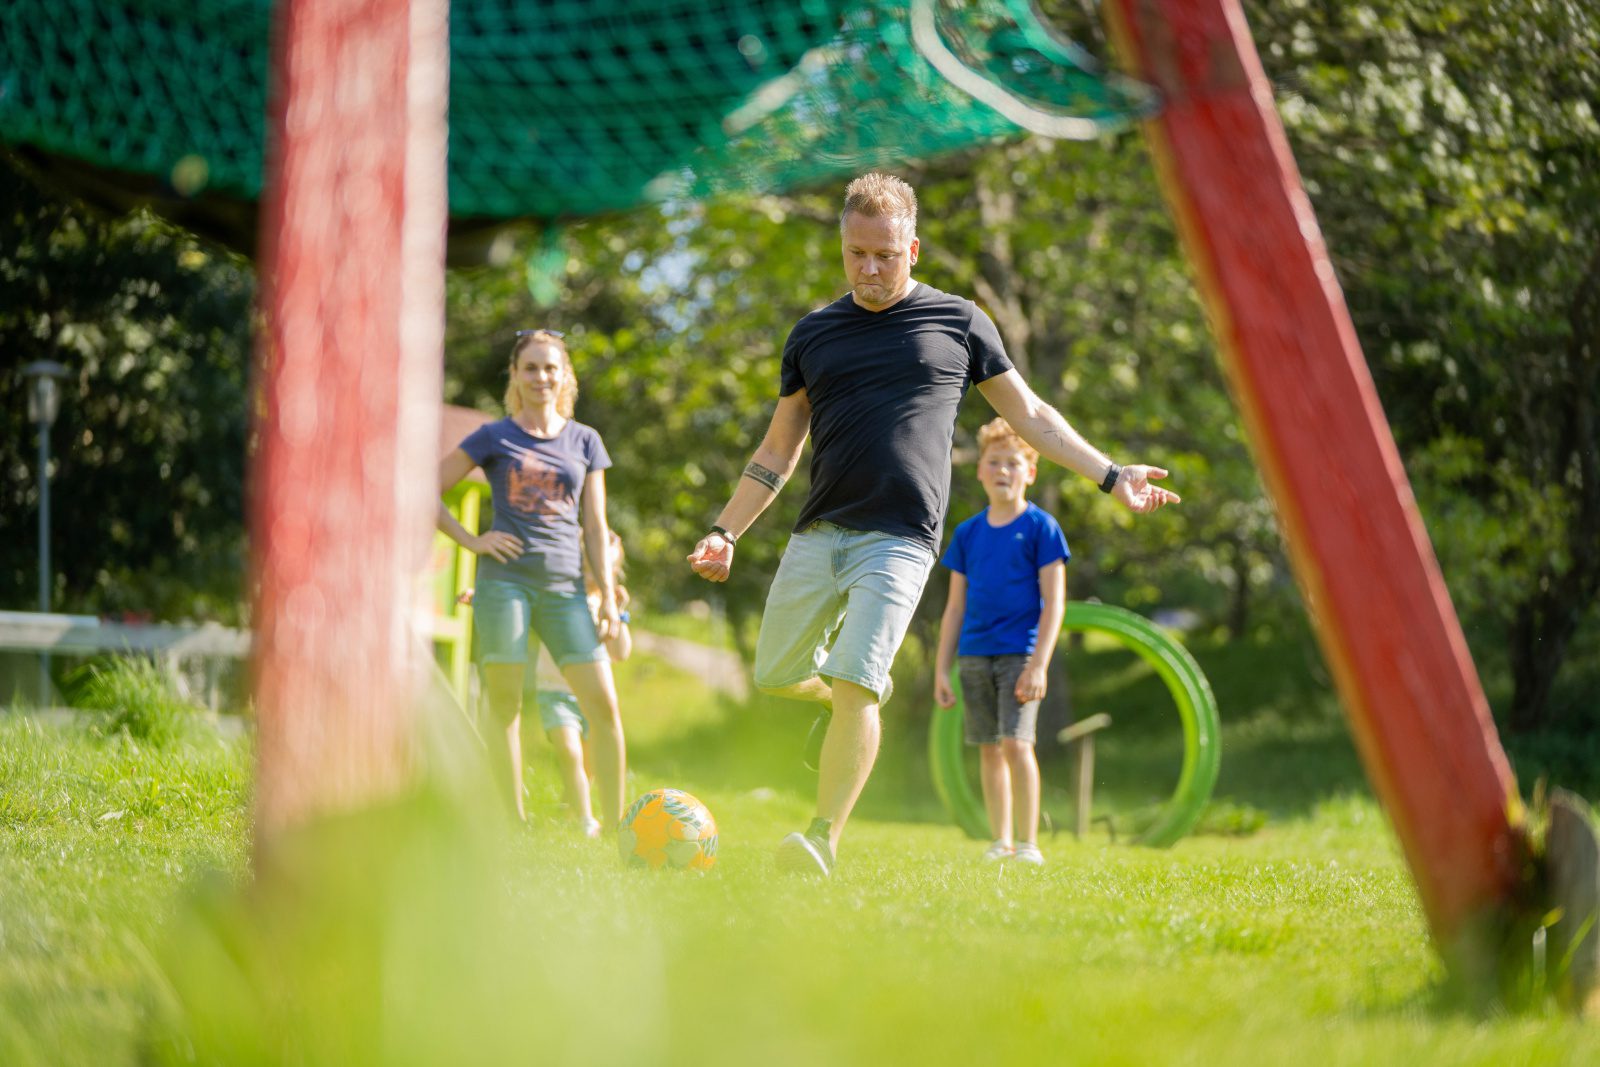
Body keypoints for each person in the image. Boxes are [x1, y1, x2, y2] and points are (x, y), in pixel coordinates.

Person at [686, 172, 1179, 877]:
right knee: (777, 671)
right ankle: (854, 696)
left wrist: (1111, 472)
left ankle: (820, 836)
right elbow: (777, 448)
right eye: (856, 253)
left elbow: (1030, 413)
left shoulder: (960, 321)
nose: (870, 268)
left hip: (901, 537)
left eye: (885, 254)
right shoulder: (813, 334)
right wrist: (725, 530)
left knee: (855, 680)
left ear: (912, 248)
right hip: (819, 530)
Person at [438, 329, 627, 829]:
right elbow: (425, 489)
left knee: (603, 707)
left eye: (550, 367)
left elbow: (596, 526)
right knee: (503, 703)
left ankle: (617, 830)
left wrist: (606, 596)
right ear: (515, 376)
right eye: (531, 367)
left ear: (565, 376)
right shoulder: (493, 437)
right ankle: (512, 823)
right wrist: (473, 541)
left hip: (566, 591)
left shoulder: (585, 440)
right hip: (505, 586)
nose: (541, 376)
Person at [933, 418, 1068, 866]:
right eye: (994, 462)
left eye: (1013, 463)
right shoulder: (968, 534)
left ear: (1030, 472)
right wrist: (941, 668)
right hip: (973, 656)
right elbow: (954, 608)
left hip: (1021, 654)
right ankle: (1001, 841)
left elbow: (1054, 603)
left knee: (1016, 743)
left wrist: (1039, 664)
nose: (1003, 470)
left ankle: (1028, 845)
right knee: (989, 748)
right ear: (980, 472)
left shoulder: (1042, 528)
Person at [527, 530, 632, 837]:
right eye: (586, 563)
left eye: (603, 568)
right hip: (555, 692)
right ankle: (587, 820)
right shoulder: (559, 598)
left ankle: (570, 809)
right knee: (569, 752)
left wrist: (620, 614)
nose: (593, 572)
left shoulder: (606, 606)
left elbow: (621, 653)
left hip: (593, 699)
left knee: (589, 766)